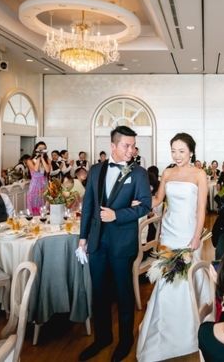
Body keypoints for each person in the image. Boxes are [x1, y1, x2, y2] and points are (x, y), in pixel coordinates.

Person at [78, 126, 152, 362]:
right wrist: (83, 237)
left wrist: (117, 215)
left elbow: (145, 206)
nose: (131, 150)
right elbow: (88, 206)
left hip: (122, 242)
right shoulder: (96, 170)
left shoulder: (139, 173)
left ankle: (125, 340)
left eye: (133, 146)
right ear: (113, 146)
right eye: (126, 145)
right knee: (99, 292)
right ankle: (102, 338)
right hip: (97, 241)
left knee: (123, 293)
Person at [137, 132, 210, 362]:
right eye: (173, 151)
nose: (177, 155)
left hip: (188, 232)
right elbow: (158, 200)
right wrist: (139, 200)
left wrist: (196, 236)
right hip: (169, 232)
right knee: (167, 280)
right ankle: (165, 326)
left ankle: (188, 328)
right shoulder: (167, 173)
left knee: (186, 277)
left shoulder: (199, 174)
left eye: (181, 151)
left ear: (191, 152)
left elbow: (201, 209)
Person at [26, 141, 51, 215]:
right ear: (36, 149)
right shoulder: (29, 160)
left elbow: (47, 170)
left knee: (44, 202)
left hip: (44, 184)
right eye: (40, 148)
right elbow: (36, 169)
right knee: (34, 201)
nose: (42, 150)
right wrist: (39, 158)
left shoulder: (47, 160)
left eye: (44, 148)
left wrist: (42, 158)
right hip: (34, 184)